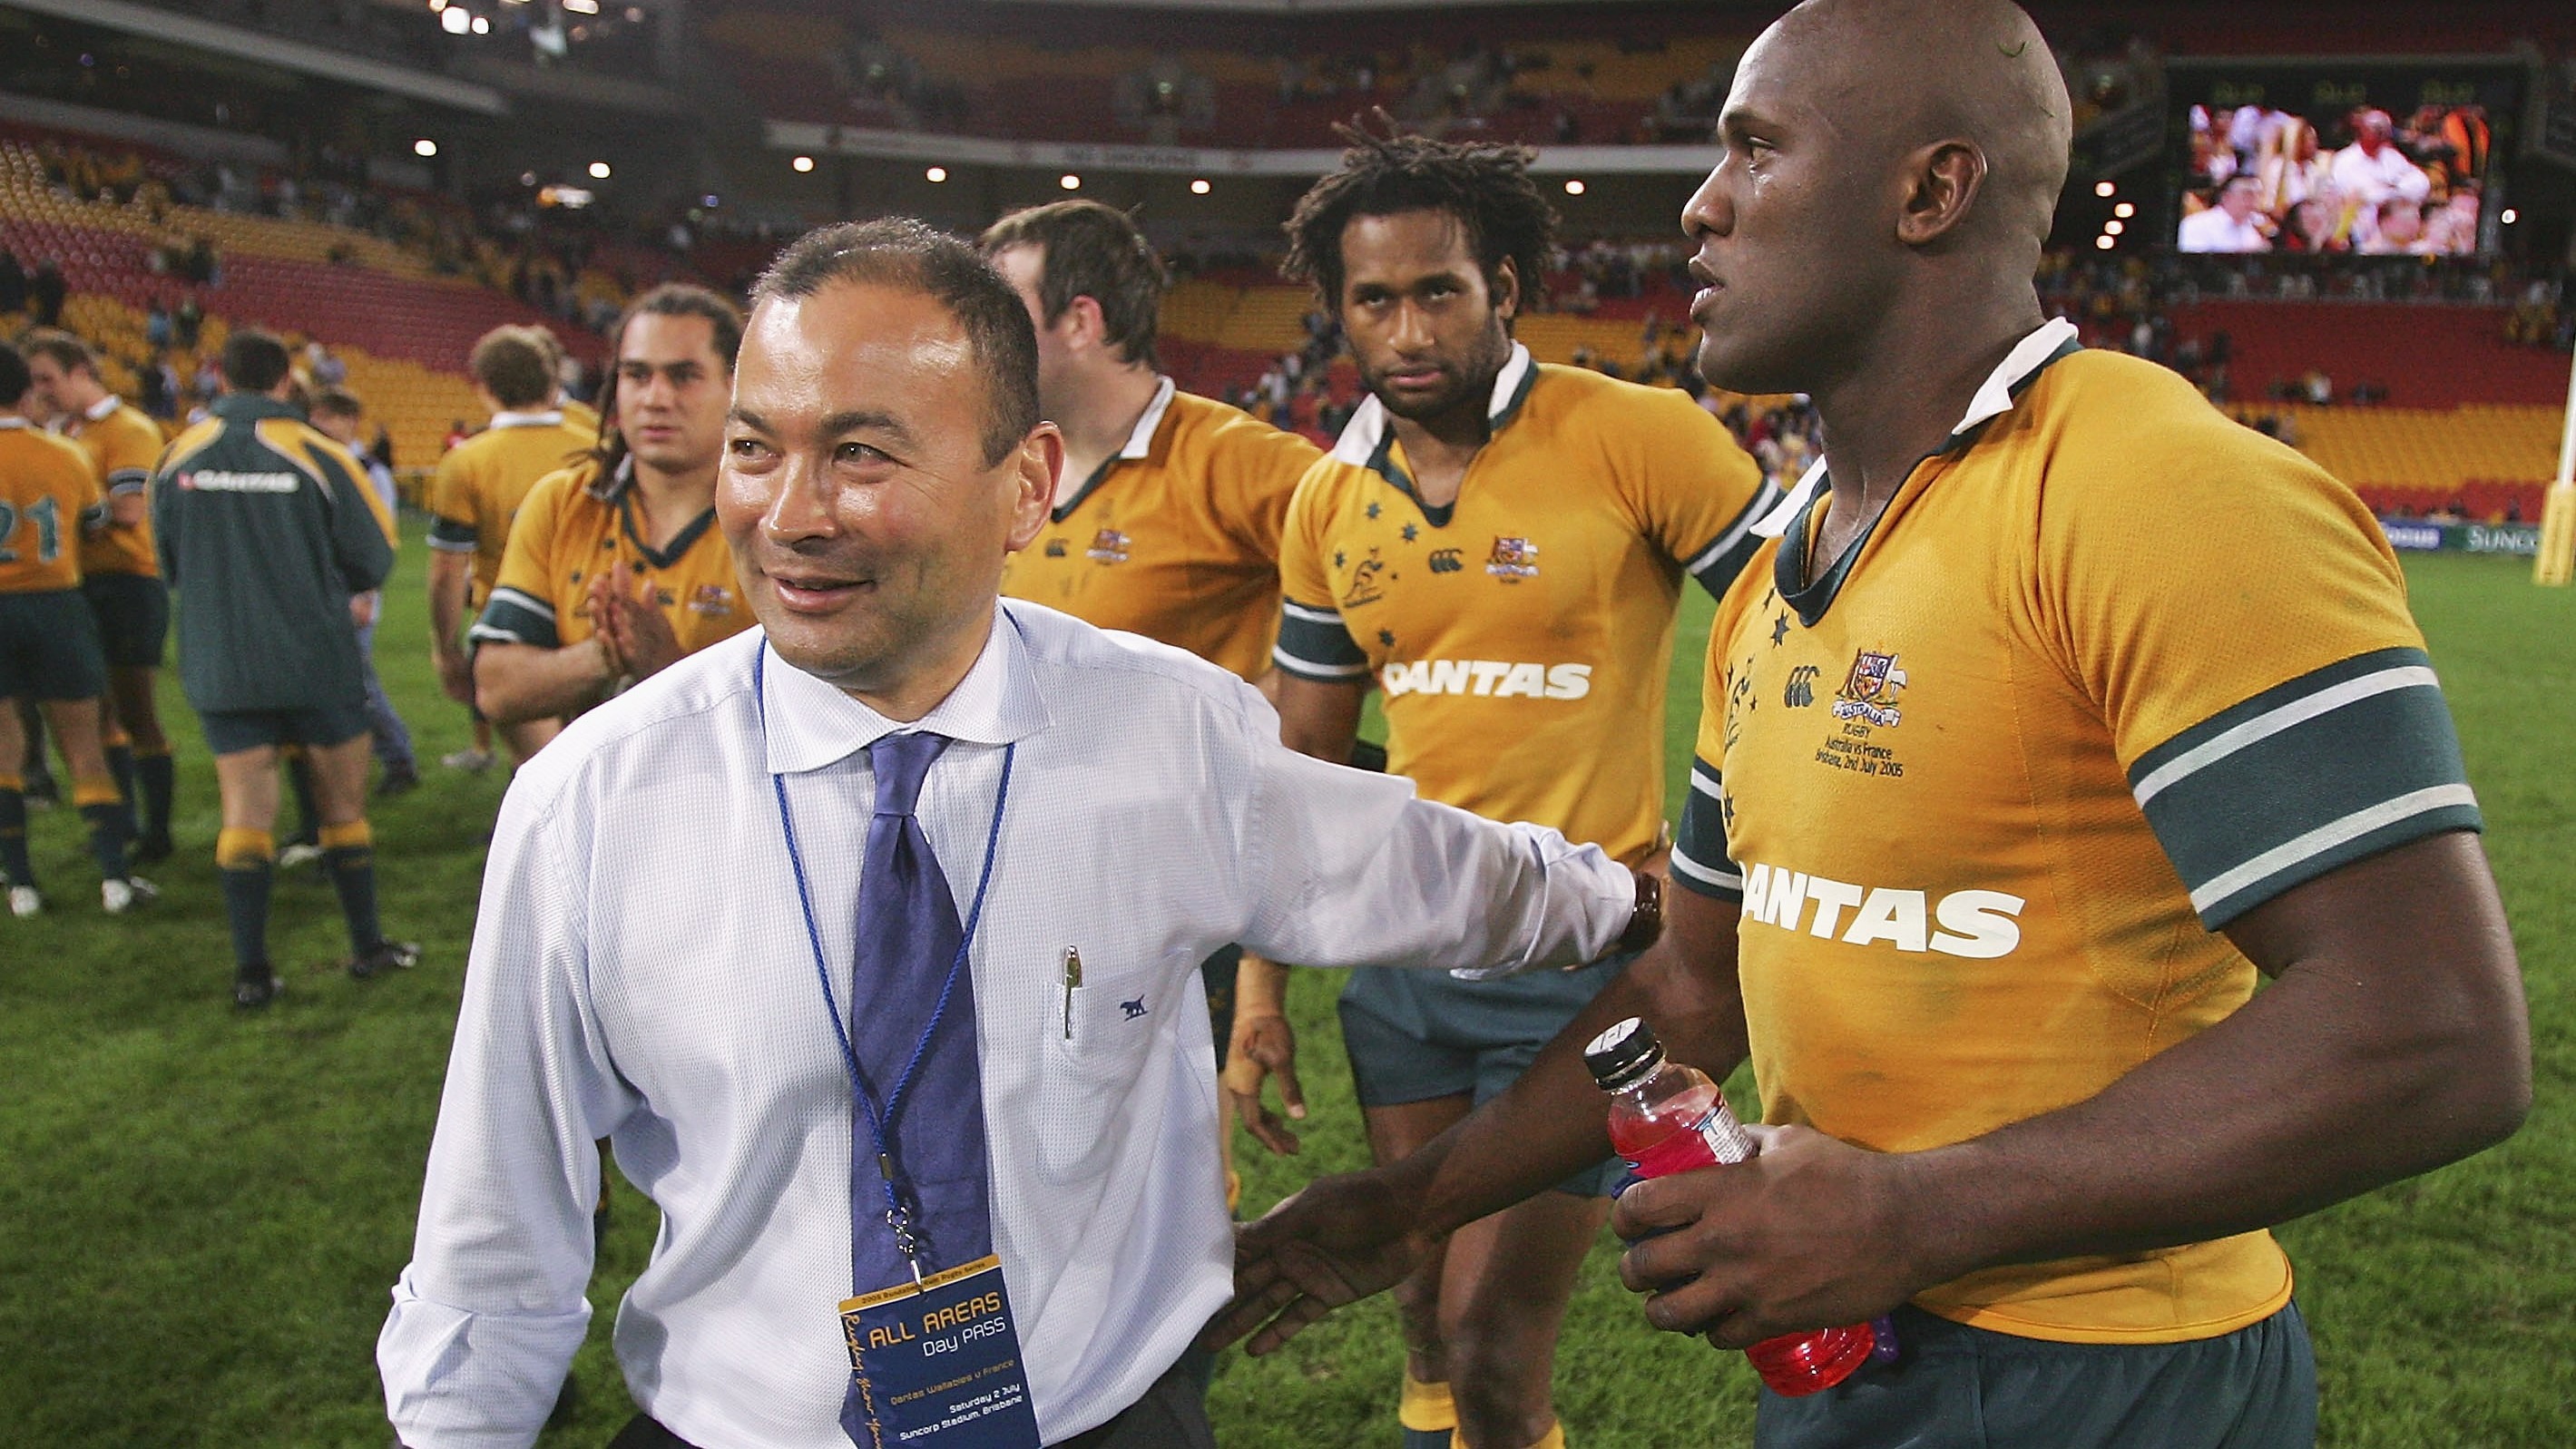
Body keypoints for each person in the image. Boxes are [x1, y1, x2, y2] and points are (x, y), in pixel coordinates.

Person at [1211, 5, 2531, 1448]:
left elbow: (2430, 1029)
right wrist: (1408, 1202)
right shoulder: (1787, 567)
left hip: (2106, 1378)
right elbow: (1695, 988)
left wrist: (1911, 1209)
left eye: (1753, 152)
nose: (1699, 208)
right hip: (1847, 1334)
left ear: (1928, 191)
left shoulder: (2162, 489)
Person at [379, 219, 1656, 1449]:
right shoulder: (591, 805)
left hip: (1102, 1413)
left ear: (1025, 484)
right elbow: (495, 1240)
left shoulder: (1170, 737)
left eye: (863, 454)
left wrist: (1638, 903)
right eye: (755, 449)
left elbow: (1434, 871)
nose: (791, 513)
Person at [1236, 126, 1775, 1449]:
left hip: (1596, 962)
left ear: (1504, 292)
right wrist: (1257, 997)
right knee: (1418, 1302)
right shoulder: (1324, 503)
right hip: (1408, 964)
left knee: (1489, 1334)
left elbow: (1801, 632)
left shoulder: (1640, 436)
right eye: (1374, 298)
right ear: (1337, 314)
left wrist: (1719, 875)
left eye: (1439, 290)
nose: (1406, 327)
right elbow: (1298, 767)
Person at [979, 198, 1325, 1207]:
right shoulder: (1008, 467)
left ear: (1080, 322)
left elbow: (1372, 589)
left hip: (1167, 888)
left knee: (1157, 1185)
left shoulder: (1239, 460)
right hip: (1008, 866)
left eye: (1001, 308)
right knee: (1018, 1171)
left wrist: (1244, 715)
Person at [153, 328, 419, 1008]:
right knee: (341, 807)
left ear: (220, 377)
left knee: (245, 810)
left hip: (223, 660)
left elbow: (166, 560)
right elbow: (373, 558)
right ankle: (366, 946)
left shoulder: (177, 455)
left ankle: (252, 972)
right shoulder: (319, 452)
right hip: (314, 656)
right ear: (283, 380)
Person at [469, 285, 750, 744]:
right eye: (637, 375)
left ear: (735, 386)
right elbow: (498, 688)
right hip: (594, 805)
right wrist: (606, 653)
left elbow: (820, 707)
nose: (656, 398)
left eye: (684, 376)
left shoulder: (775, 517)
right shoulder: (562, 504)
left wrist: (666, 668)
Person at [0, 340, 152, 918]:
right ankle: (114, 878)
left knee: (5, 751)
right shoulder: (64, 453)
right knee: (84, 748)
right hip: (57, 604)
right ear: (24, 391)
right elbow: (92, 523)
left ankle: (22, 885)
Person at [22, 328, 180, 860]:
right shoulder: (61, 431)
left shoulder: (128, 429)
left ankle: (157, 829)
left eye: (48, 378)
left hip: (129, 582)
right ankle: (124, 823)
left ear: (81, 373)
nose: (40, 390)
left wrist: (66, 505)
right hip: (85, 582)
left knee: (136, 711)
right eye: (34, 382)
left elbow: (130, 509)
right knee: (99, 713)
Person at [427, 326, 594, 767]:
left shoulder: (467, 461)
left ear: (483, 388)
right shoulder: (595, 448)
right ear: (551, 381)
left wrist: (445, 650)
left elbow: (447, 571)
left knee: (543, 774)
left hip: (512, 639)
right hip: (591, 623)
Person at [309, 387, 420, 796]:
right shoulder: (319, 461)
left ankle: (398, 758)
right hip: (326, 589)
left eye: (325, 418)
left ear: (345, 420)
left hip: (353, 590)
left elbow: (380, 536)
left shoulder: (368, 469)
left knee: (358, 683)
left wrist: (366, 594)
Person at [2178, 174, 2270, 253]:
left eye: (2258, 196)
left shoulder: (2252, 230)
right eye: (2247, 195)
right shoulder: (2197, 225)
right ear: (2226, 197)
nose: (2253, 203)